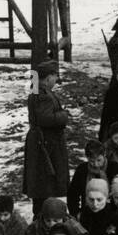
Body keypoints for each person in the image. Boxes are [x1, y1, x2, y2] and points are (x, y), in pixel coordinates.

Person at [23, 61, 69, 218]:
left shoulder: (38, 91)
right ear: (48, 77)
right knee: (45, 185)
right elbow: (45, 118)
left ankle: (42, 216)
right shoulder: (43, 95)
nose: (56, 79)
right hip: (46, 146)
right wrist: (63, 116)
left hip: (42, 143)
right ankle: (43, 218)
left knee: (42, 186)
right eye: (55, 76)